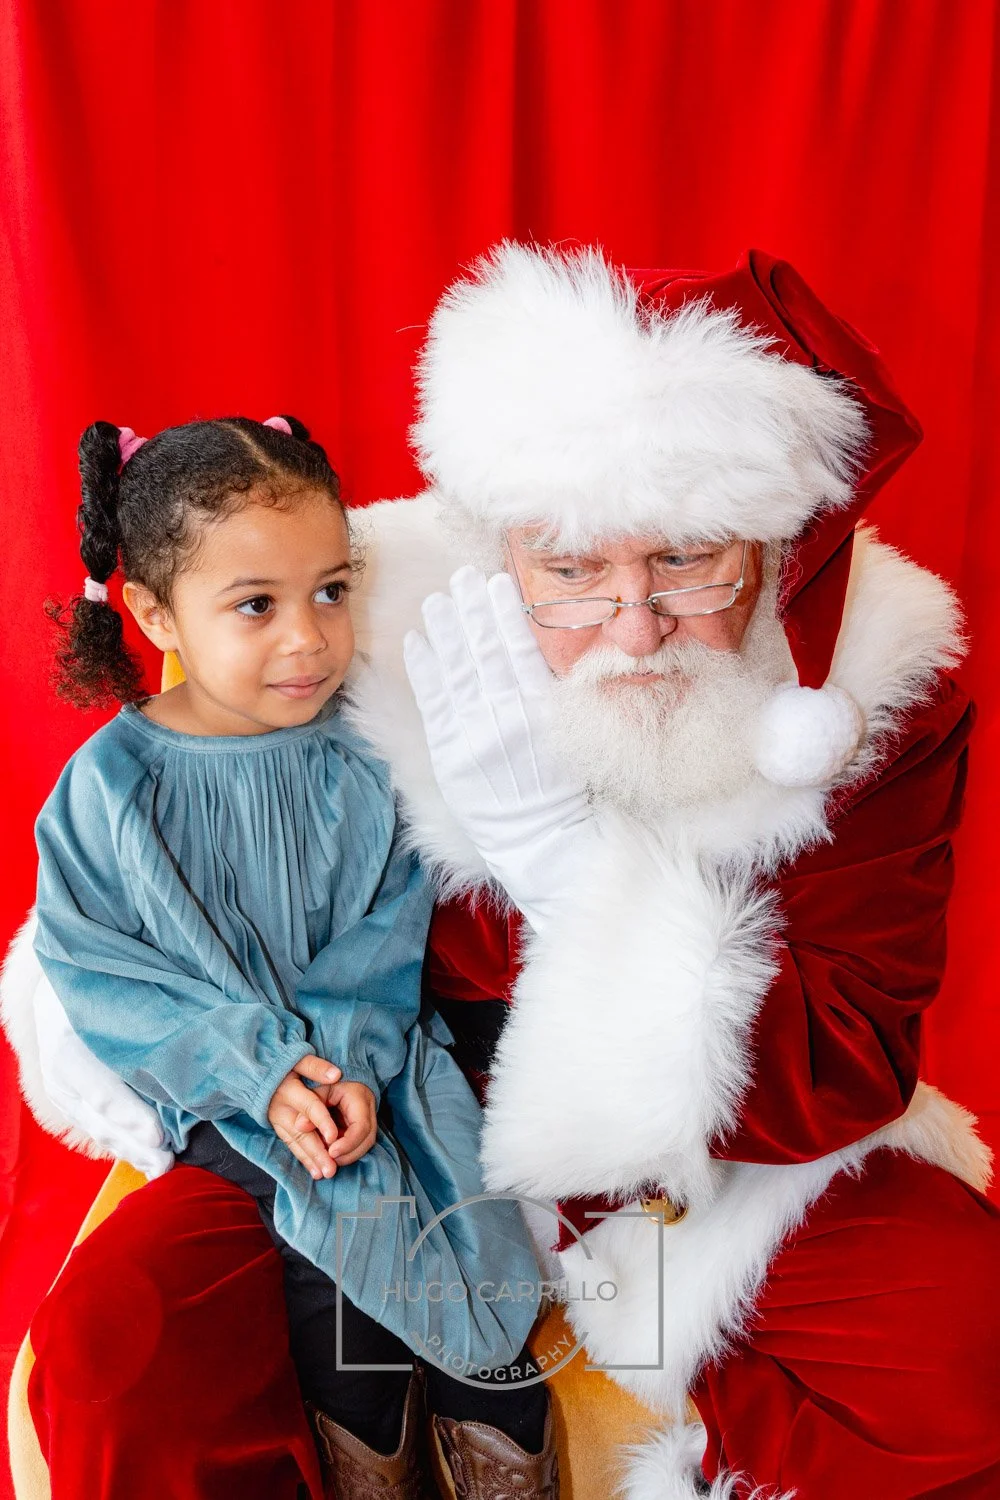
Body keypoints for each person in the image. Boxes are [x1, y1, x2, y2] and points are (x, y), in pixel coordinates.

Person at [4, 245, 1000, 1499]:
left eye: (687, 560)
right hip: (389, 1109)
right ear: (502, 544)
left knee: (967, 1345)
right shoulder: (358, 614)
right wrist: (265, 1067)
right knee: (121, 1347)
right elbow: (175, 850)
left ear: (774, 543)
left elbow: (842, 1060)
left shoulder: (870, 696)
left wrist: (568, 873)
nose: (631, 627)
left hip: (717, 1158)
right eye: (571, 570)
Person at [23, 412, 554, 1499]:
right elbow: (103, 975)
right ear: (156, 612)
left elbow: (387, 925)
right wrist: (262, 1070)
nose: (308, 639)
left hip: (386, 1079)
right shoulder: (108, 790)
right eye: (256, 606)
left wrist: (344, 1064)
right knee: (338, 1304)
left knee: (487, 1313)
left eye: (330, 591)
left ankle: (499, 1456)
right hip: (231, 1111)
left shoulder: (368, 753)